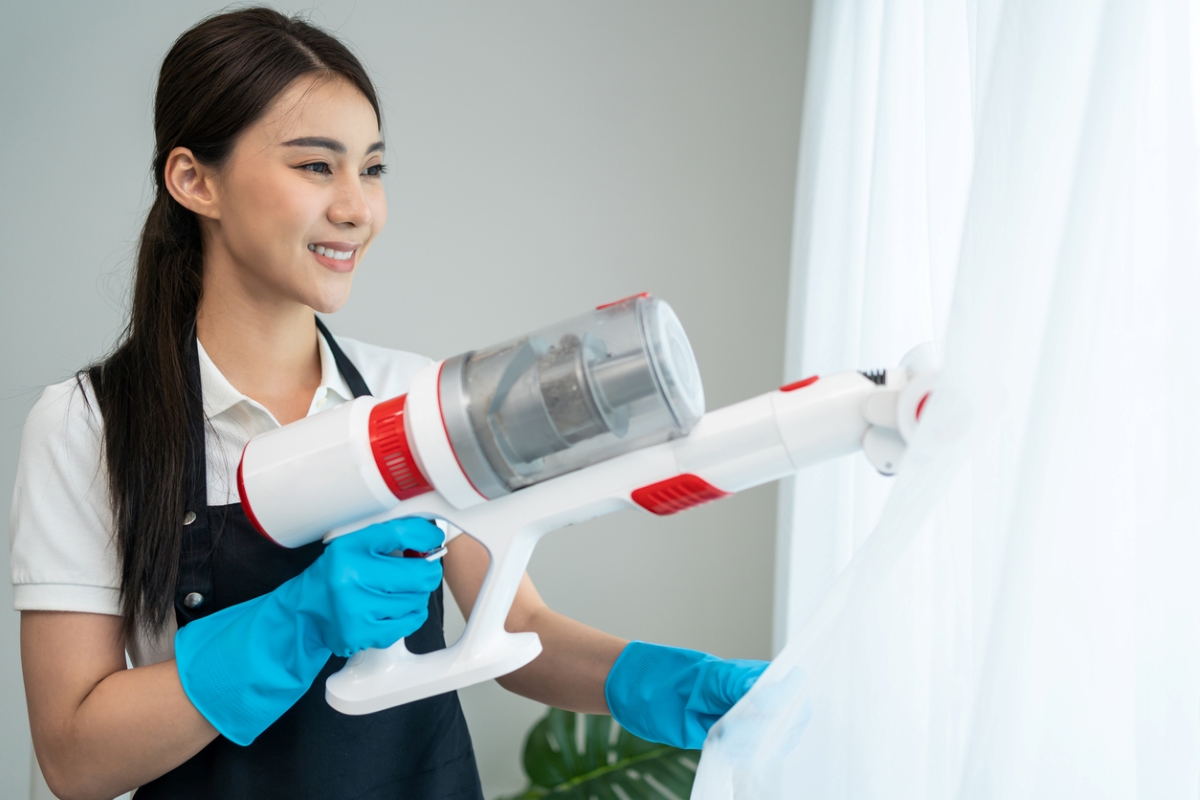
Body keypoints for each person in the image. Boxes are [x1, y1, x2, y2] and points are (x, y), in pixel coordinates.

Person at [10, 9, 767, 799]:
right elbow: (74, 755)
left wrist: (681, 686)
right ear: (195, 181)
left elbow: (517, 630)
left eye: (372, 170)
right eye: (315, 167)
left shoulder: (416, 401)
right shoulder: (89, 426)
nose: (355, 208)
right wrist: (294, 623)